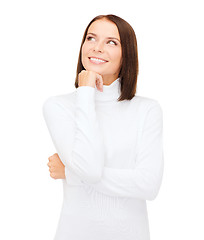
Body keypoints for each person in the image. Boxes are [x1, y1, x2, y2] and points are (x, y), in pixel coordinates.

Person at [42, 14, 164, 240]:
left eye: (111, 42)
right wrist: (85, 92)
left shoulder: (147, 110)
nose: (97, 48)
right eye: (91, 38)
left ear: (126, 53)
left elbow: (148, 185)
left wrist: (70, 173)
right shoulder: (58, 106)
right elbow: (90, 168)